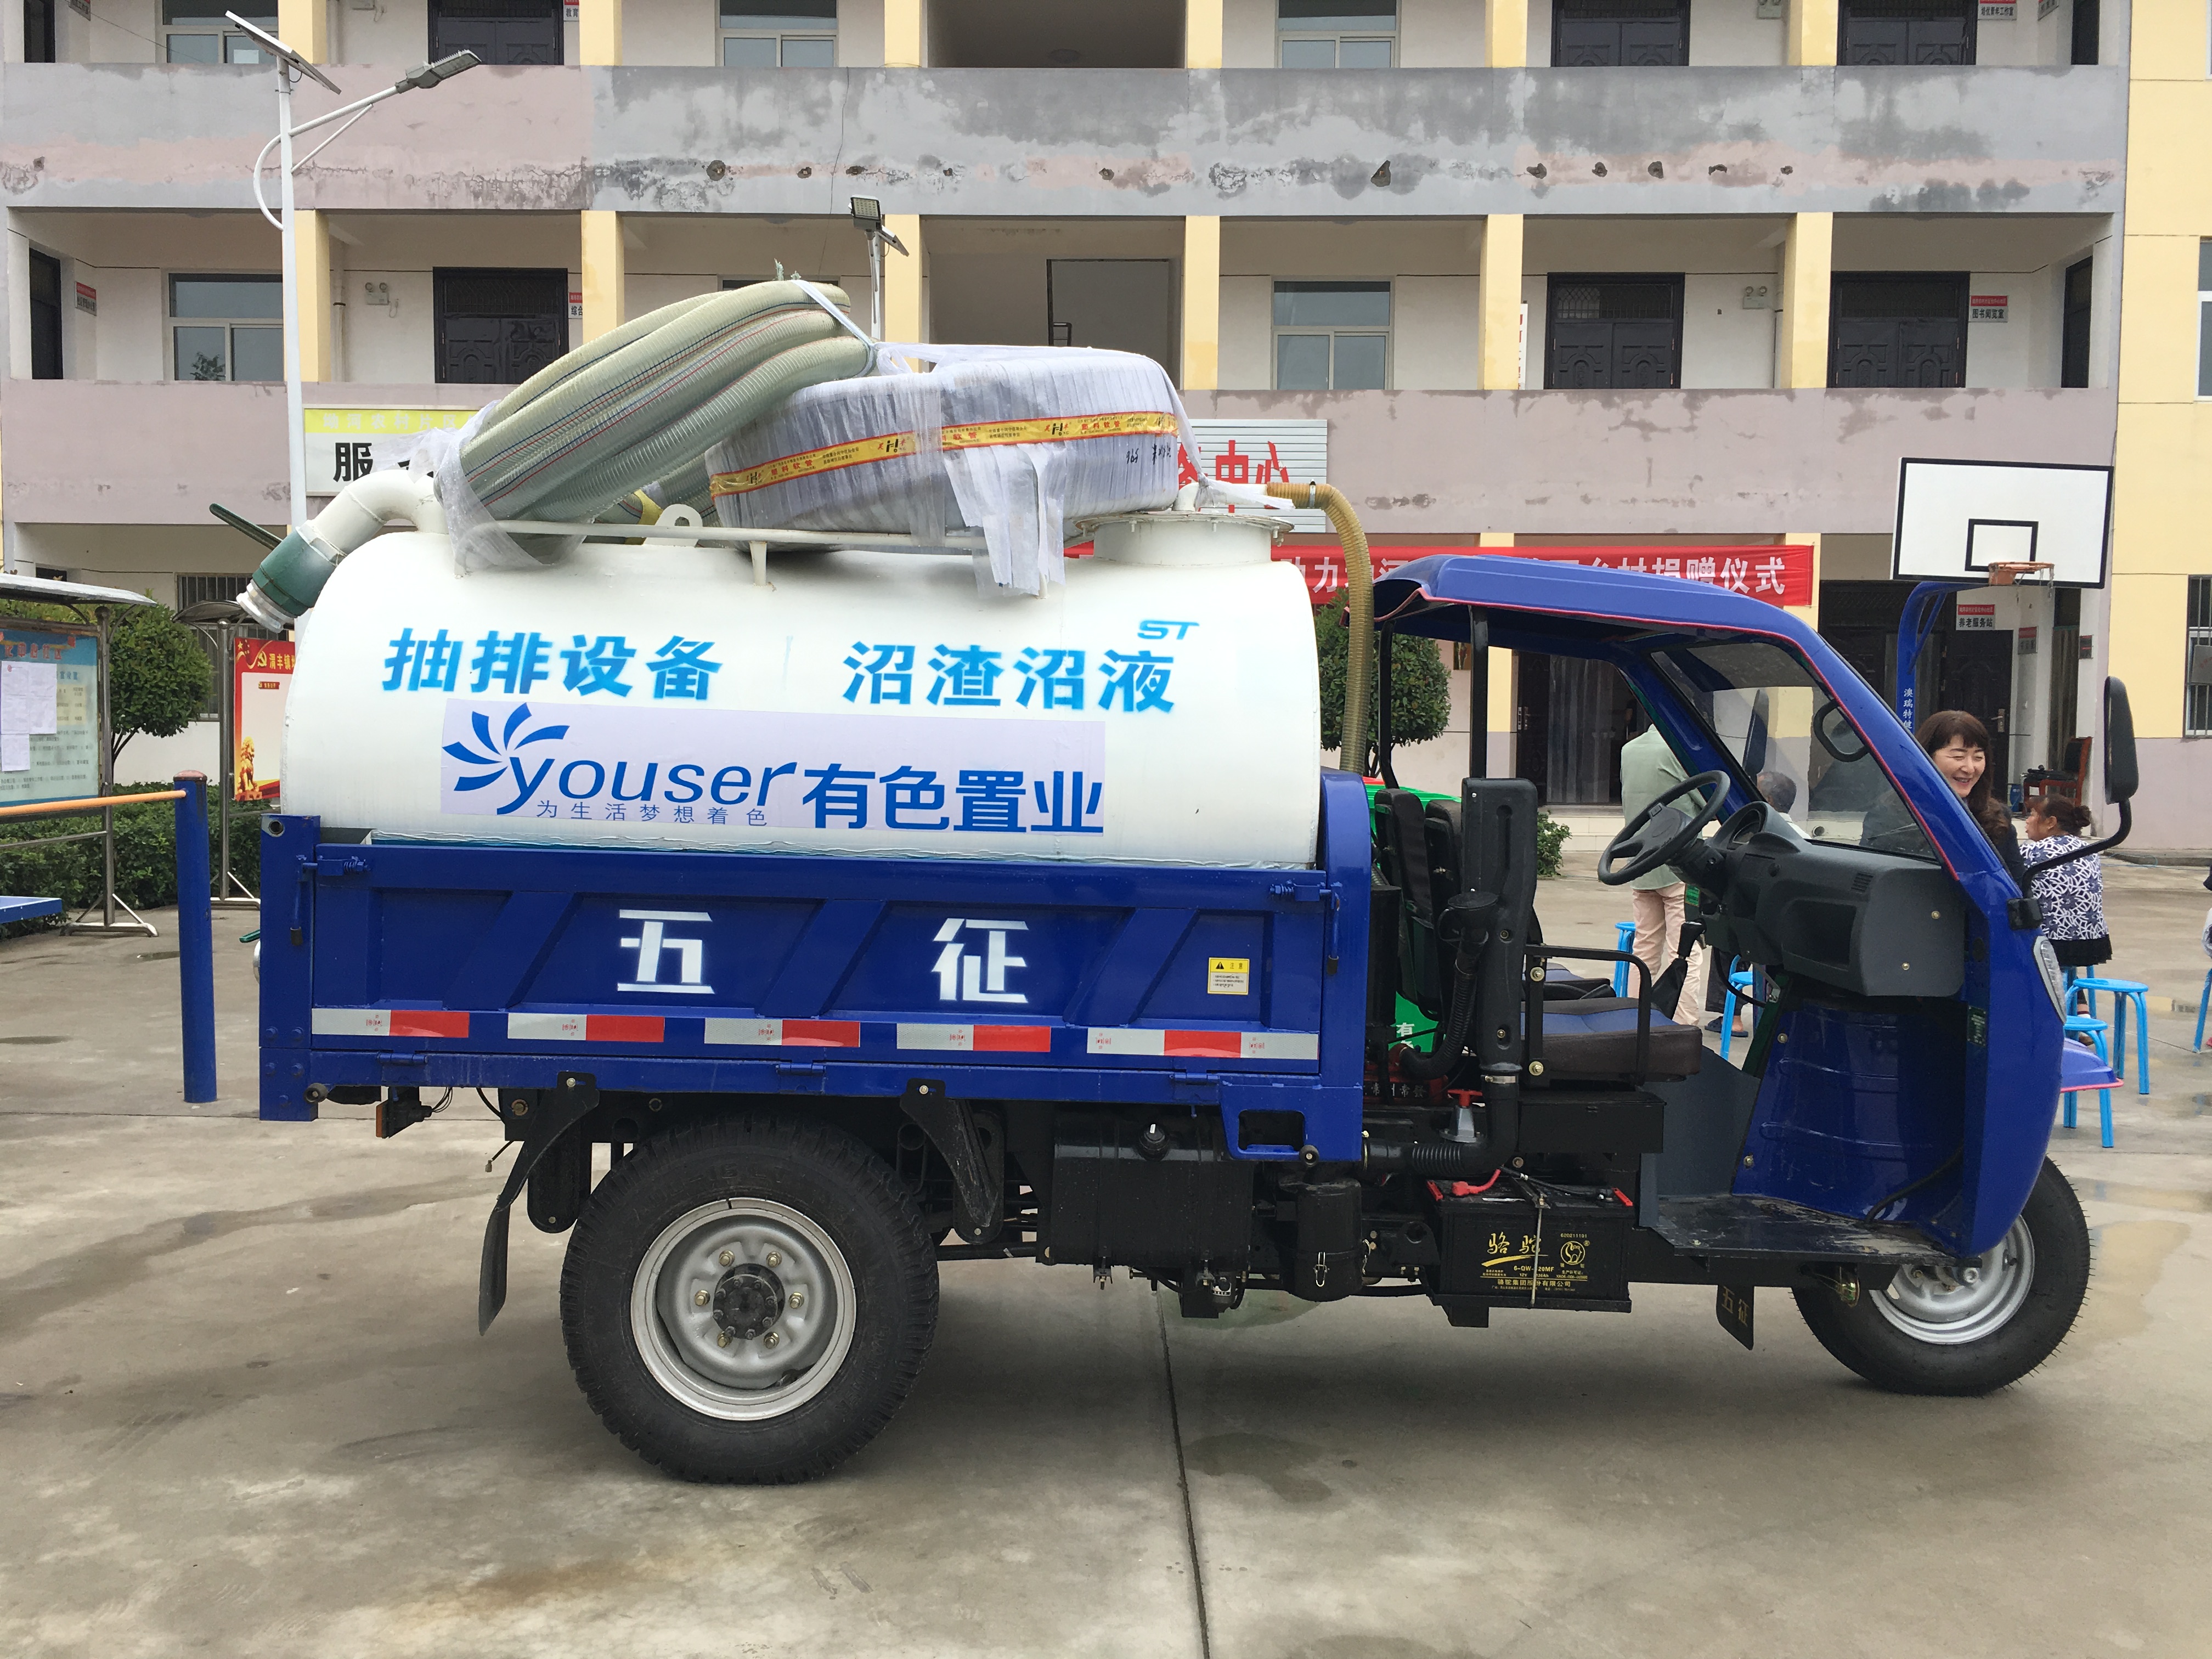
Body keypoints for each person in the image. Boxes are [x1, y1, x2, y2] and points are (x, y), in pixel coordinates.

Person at [1617, 720, 1712, 1029]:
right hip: (1681, 867)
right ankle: (1683, 1025)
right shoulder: (1681, 751)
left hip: (1641, 863)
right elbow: (1709, 800)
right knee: (1684, 951)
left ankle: (1633, 1020)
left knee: (1644, 948)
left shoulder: (1629, 750)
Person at [1864, 709, 2029, 885]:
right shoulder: (1892, 816)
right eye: (1958, 757)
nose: (1970, 768)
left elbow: (2018, 887)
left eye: (1978, 757)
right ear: (1925, 757)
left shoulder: (1998, 817)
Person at [2020, 797, 2109, 969]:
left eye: (2032, 815)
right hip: (2092, 942)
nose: (2028, 821)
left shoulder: (2031, 851)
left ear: (2051, 822)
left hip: (2051, 943)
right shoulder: (2090, 851)